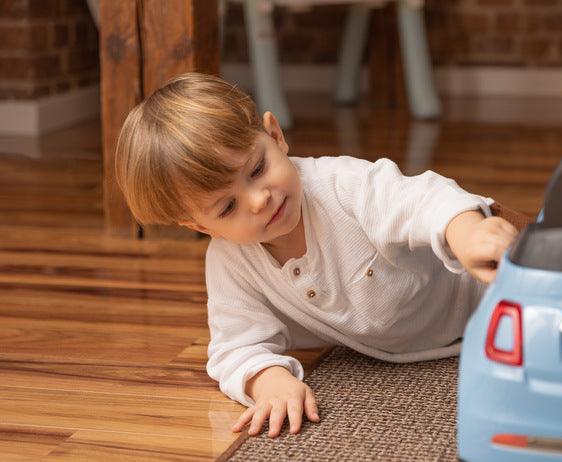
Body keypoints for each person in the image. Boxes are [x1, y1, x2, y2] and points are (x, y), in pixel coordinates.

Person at [115, 73, 520, 439]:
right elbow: (235, 347)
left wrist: (467, 232)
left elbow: (419, 200)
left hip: (492, 281)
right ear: (200, 226)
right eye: (227, 208)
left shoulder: (343, 187)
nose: (258, 200)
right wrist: (268, 380)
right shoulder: (230, 263)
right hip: (441, 342)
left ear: (275, 136)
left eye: (257, 170)